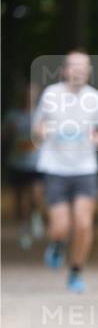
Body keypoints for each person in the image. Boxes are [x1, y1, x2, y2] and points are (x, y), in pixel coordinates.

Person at [32, 50, 98, 293]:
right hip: (55, 168)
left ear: (89, 71)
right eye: (75, 66)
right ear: (65, 70)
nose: (79, 71)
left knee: (83, 224)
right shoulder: (51, 95)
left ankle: (76, 271)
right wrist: (43, 131)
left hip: (85, 169)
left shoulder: (96, 98)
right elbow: (37, 127)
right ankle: (58, 243)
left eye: (84, 67)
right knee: (61, 226)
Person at [2, 81, 44, 249]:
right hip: (17, 163)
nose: (28, 97)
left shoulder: (43, 115)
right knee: (19, 200)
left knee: (35, 196)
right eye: (26, 94)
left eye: (31, 94)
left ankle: (35, 216)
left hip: (37, 163)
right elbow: (3, 136)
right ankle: (24, 228)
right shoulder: (12, 116)